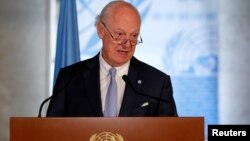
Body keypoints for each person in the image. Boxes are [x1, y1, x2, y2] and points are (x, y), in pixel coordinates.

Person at [46, 0, 178, 117]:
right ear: (101, 31)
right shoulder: (70, 79)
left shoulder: (157, 83)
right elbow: (51, 130)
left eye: (133, 36)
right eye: (120, 34)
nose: (127, 44)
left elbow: (172, 134)